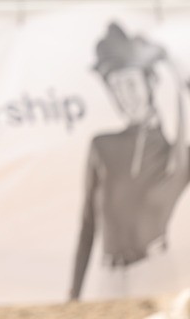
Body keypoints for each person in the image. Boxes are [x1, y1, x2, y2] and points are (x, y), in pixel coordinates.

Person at [70, 22, 189, 300]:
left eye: (132, 83)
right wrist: (74, 294)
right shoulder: (102, 146)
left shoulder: (178, 155)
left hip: (155, 275)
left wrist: (184, 78)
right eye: (117, 86)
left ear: (151, 83)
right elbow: (88, 224)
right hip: (109, 280)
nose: (126, 95)